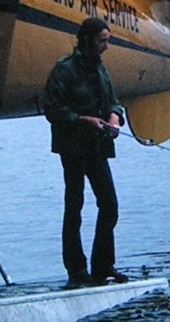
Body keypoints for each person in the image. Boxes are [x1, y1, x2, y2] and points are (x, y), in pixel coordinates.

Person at [43, 17, 128, 288]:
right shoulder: (64, 69)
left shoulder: (101, 69)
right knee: (74, 208)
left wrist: (114, 118)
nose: (107, 46)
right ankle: (77, 271)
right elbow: (53, 110)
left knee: (110, 205)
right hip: (72, 148)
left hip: (98, 148)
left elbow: (115, 101)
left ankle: (102, 266)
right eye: (103, 40)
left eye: (108, 40)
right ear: (88, 40)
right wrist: (84, 119)